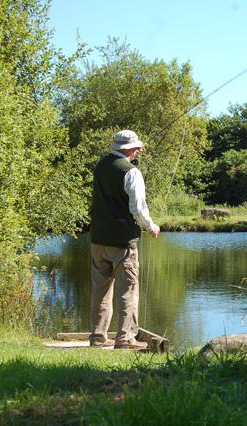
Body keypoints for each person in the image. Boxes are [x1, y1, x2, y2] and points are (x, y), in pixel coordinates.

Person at [88, 130, 160, 350]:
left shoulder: (100, 166)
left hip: (98, 240)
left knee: (100, 290)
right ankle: (125, 339)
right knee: (127, 290)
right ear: (128, 148)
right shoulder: (131, 172)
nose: (139, 150)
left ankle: (98, 337)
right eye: (137, 147)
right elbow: (137, 209)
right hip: (122, 242)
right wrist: (151, 227)